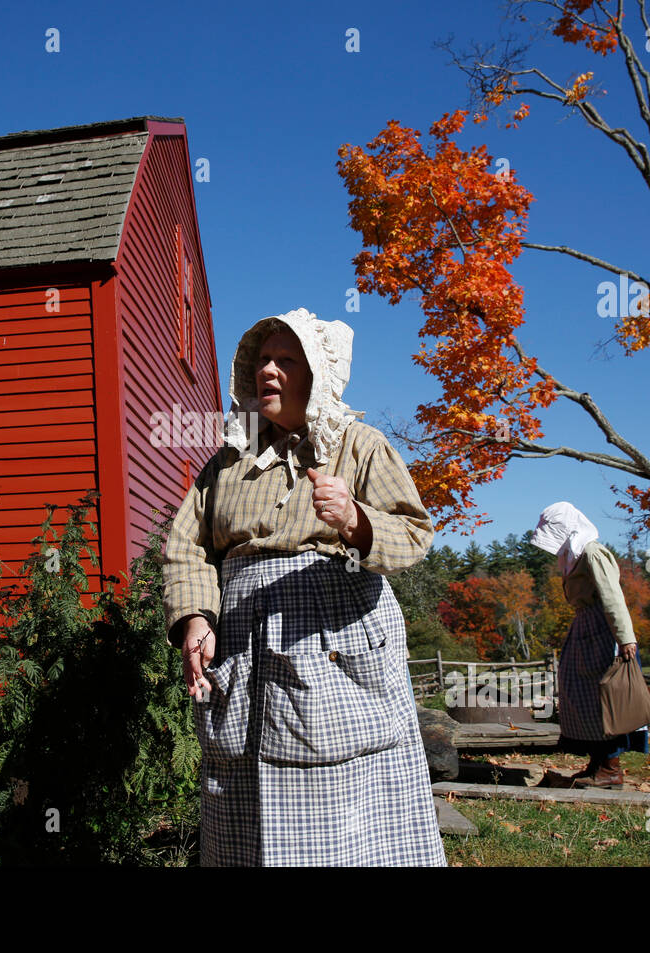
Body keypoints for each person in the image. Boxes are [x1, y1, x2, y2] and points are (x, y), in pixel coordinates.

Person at [160, 307, 446, 866]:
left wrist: (356, 519)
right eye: (262, 359)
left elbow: (414, 533)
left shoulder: (360, 444)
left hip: (335, 636)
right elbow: (189, 546)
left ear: (316, 373)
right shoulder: (228, 461)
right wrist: (197, 617)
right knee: (239, 773)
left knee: (344, 783)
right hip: (243, 641)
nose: (268, 369)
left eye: (285, 359)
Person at [530, 502, 649, 789]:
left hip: (602, 628)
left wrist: (625, 637)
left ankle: (611, 767)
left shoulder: (592, 553)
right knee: (577, 690)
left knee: (605, 695)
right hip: (585, 626)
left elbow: (612, 596)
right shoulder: (575, 556)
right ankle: (598, 762)